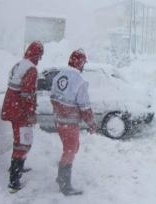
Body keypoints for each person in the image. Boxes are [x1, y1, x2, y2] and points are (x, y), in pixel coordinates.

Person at [50, 49, 97, 196]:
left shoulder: (59, 74)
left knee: (73, 147)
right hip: (69, 123)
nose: (83, 66)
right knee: (70, 150)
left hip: (59, 121)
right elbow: (85, 106)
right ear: (80, 63)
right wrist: (91, 123)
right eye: (83, 63)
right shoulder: (79, 81)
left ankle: (61, 177)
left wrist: (60, 111)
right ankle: (65, 184)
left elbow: (53, 97)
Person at [1, 41, 44, 193]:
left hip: (11, 107)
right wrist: (31, 113)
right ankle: (14, 181)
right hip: (20, 111)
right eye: (40, 55)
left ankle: (17, 167)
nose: (40, 58)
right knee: (24, 142)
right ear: (37, 54)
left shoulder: (19, 64)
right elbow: (28, 95)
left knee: (18, 140)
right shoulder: (31, 69)